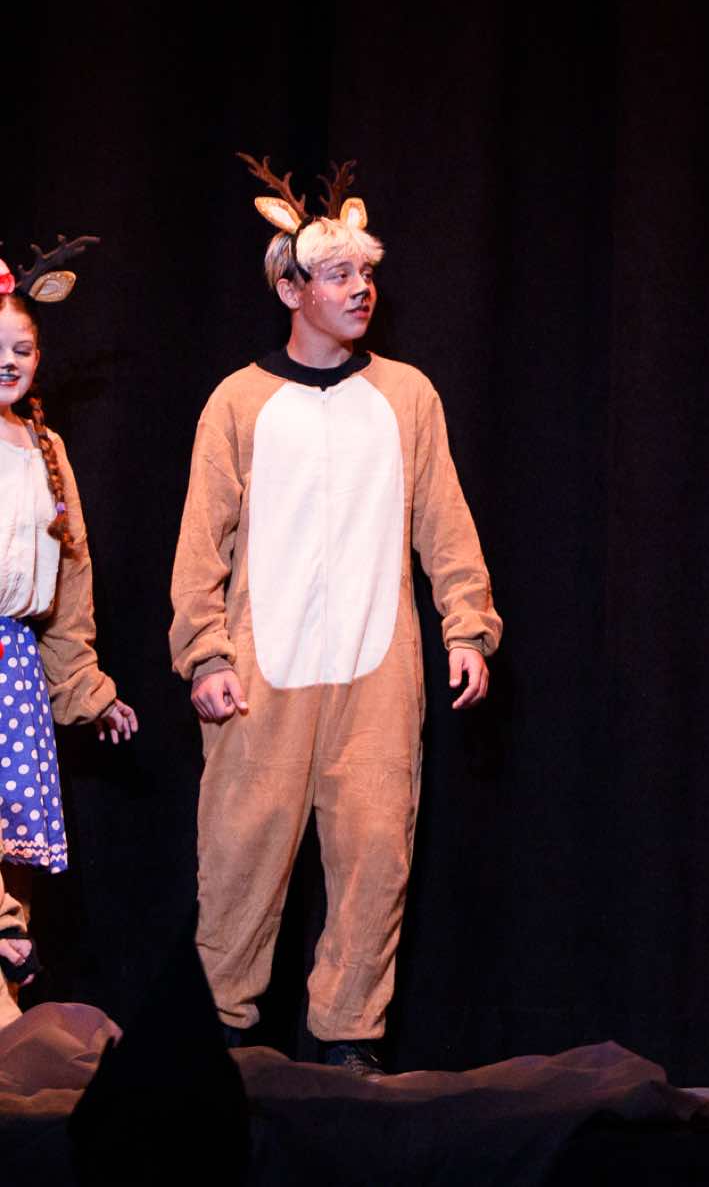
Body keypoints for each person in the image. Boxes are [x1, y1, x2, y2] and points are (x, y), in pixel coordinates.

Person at [169, 156, 501, 1076]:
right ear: (291, 288)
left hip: (375, 673)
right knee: (237, 860)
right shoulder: (238, 401)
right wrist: (205, 654)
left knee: (374, 859)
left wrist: (467, 626)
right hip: (259, 676)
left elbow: (445, 522)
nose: (361, 289)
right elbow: (200, 544)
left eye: (367, 272)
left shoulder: (406, 396)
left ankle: (349, 1042)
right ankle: (218, 1043)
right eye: (339, 273)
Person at [0, 235, 139, 1028]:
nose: (9, 361)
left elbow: (70, 585)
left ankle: (7, 1018)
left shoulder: (46, 450)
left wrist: (88, 691)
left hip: (15, 671)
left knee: (14, 848)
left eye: (23, 348)